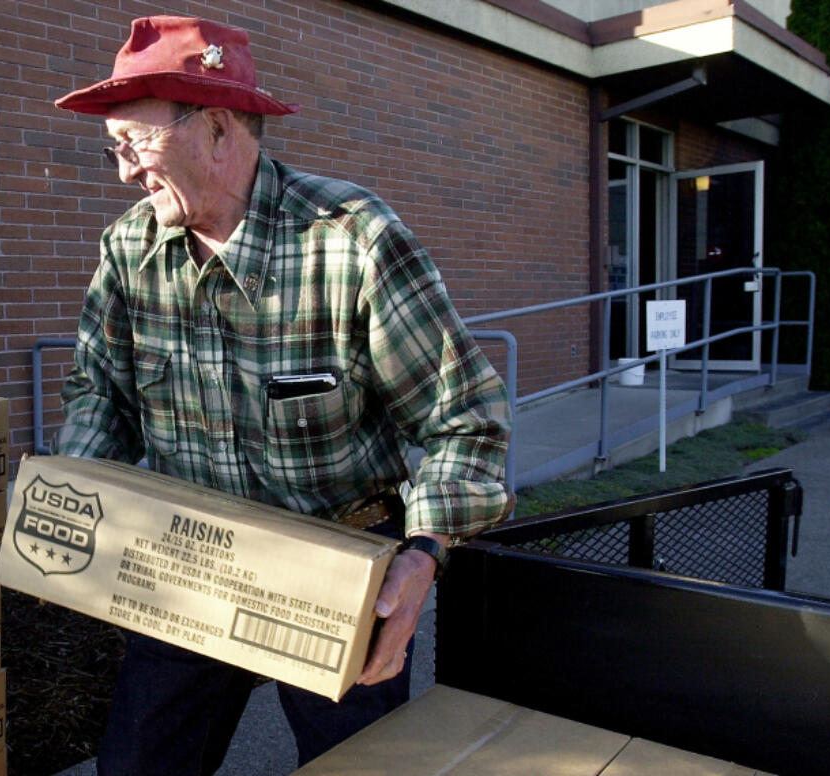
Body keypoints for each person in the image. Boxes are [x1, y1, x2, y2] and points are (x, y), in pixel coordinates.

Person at [52, 15, 514, 775]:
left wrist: (423, 556)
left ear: (218, 129)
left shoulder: (352, 239)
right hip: (187, 565)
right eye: (113, 150)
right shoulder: (128, 251)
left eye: (134, 145)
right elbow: (99, 392)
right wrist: (76, 503)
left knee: (357, 768)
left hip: (337, 569)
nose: (124, 172)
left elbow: (461, 420)